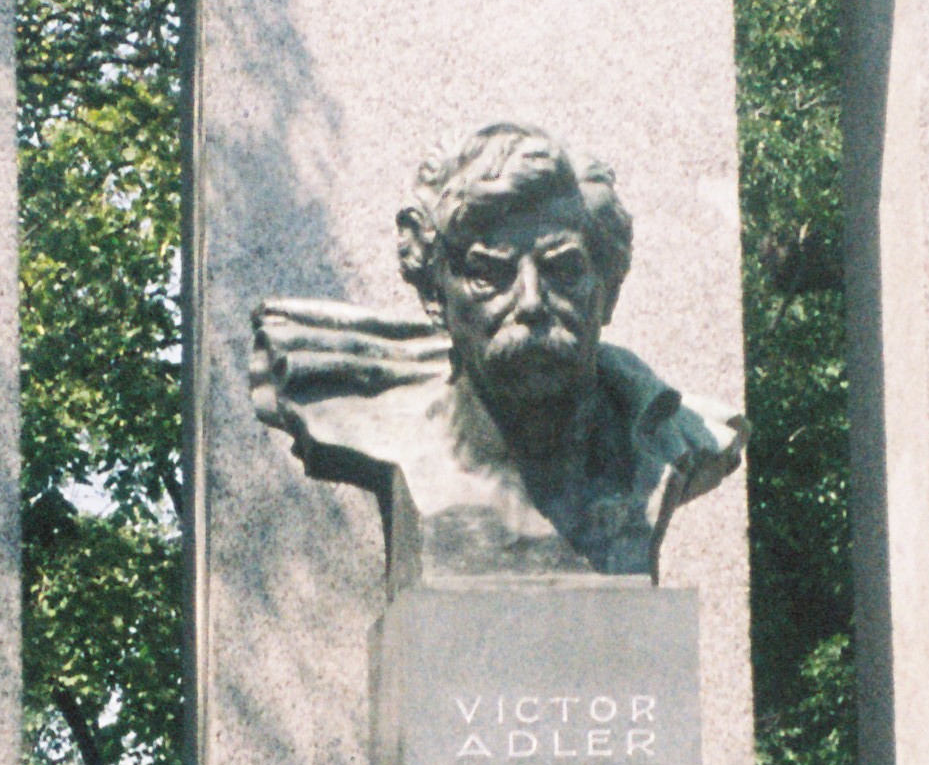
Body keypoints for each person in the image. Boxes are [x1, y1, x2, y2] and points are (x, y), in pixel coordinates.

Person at [251, 122, 741, 579]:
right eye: (488, 273)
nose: (530, 302)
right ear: (435, 296)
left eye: (564, 270)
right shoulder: (370, 430)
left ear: (608, 291)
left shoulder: (680, 443)